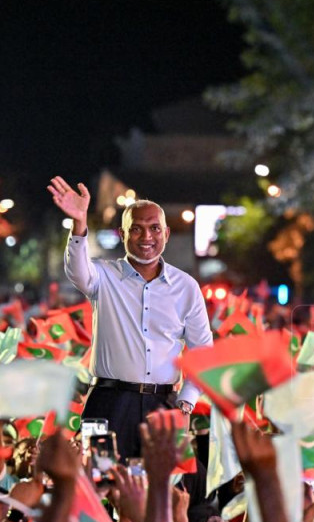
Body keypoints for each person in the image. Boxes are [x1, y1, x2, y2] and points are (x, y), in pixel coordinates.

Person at [48, 176, 212, 457]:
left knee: (162, 482)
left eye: (154, 228)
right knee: (100, 478)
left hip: (165, 406)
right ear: (122, 235)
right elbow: (77, 271)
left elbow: (202, 352)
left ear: (166, 234)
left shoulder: (186, 287)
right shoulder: (103, 276)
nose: (147, 237)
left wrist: (185, 404)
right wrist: (79, 222)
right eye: (136, 229)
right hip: (107, 403)